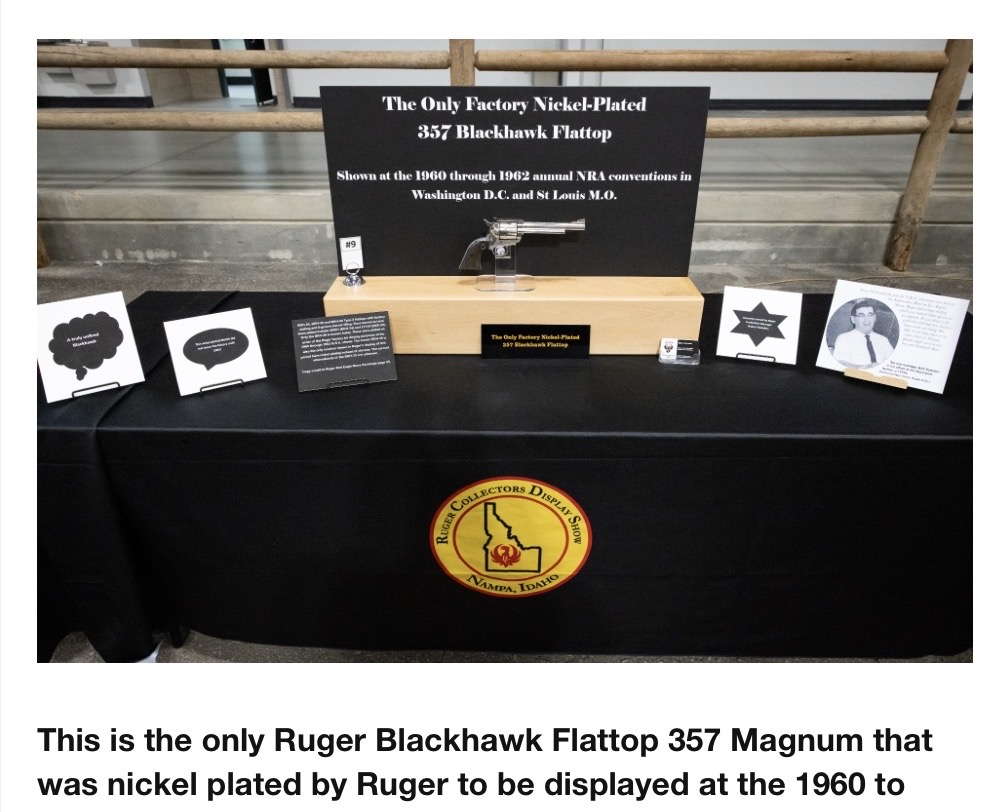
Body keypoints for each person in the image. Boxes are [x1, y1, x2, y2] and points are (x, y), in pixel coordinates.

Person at [832, 300, 895, 369]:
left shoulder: (884, 340)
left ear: (875, 318)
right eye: (861, 315)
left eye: (870, 315)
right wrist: (867, 367)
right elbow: (840, 364)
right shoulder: (844, 338)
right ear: (853, 319)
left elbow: (893, 362)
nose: (867, 320)